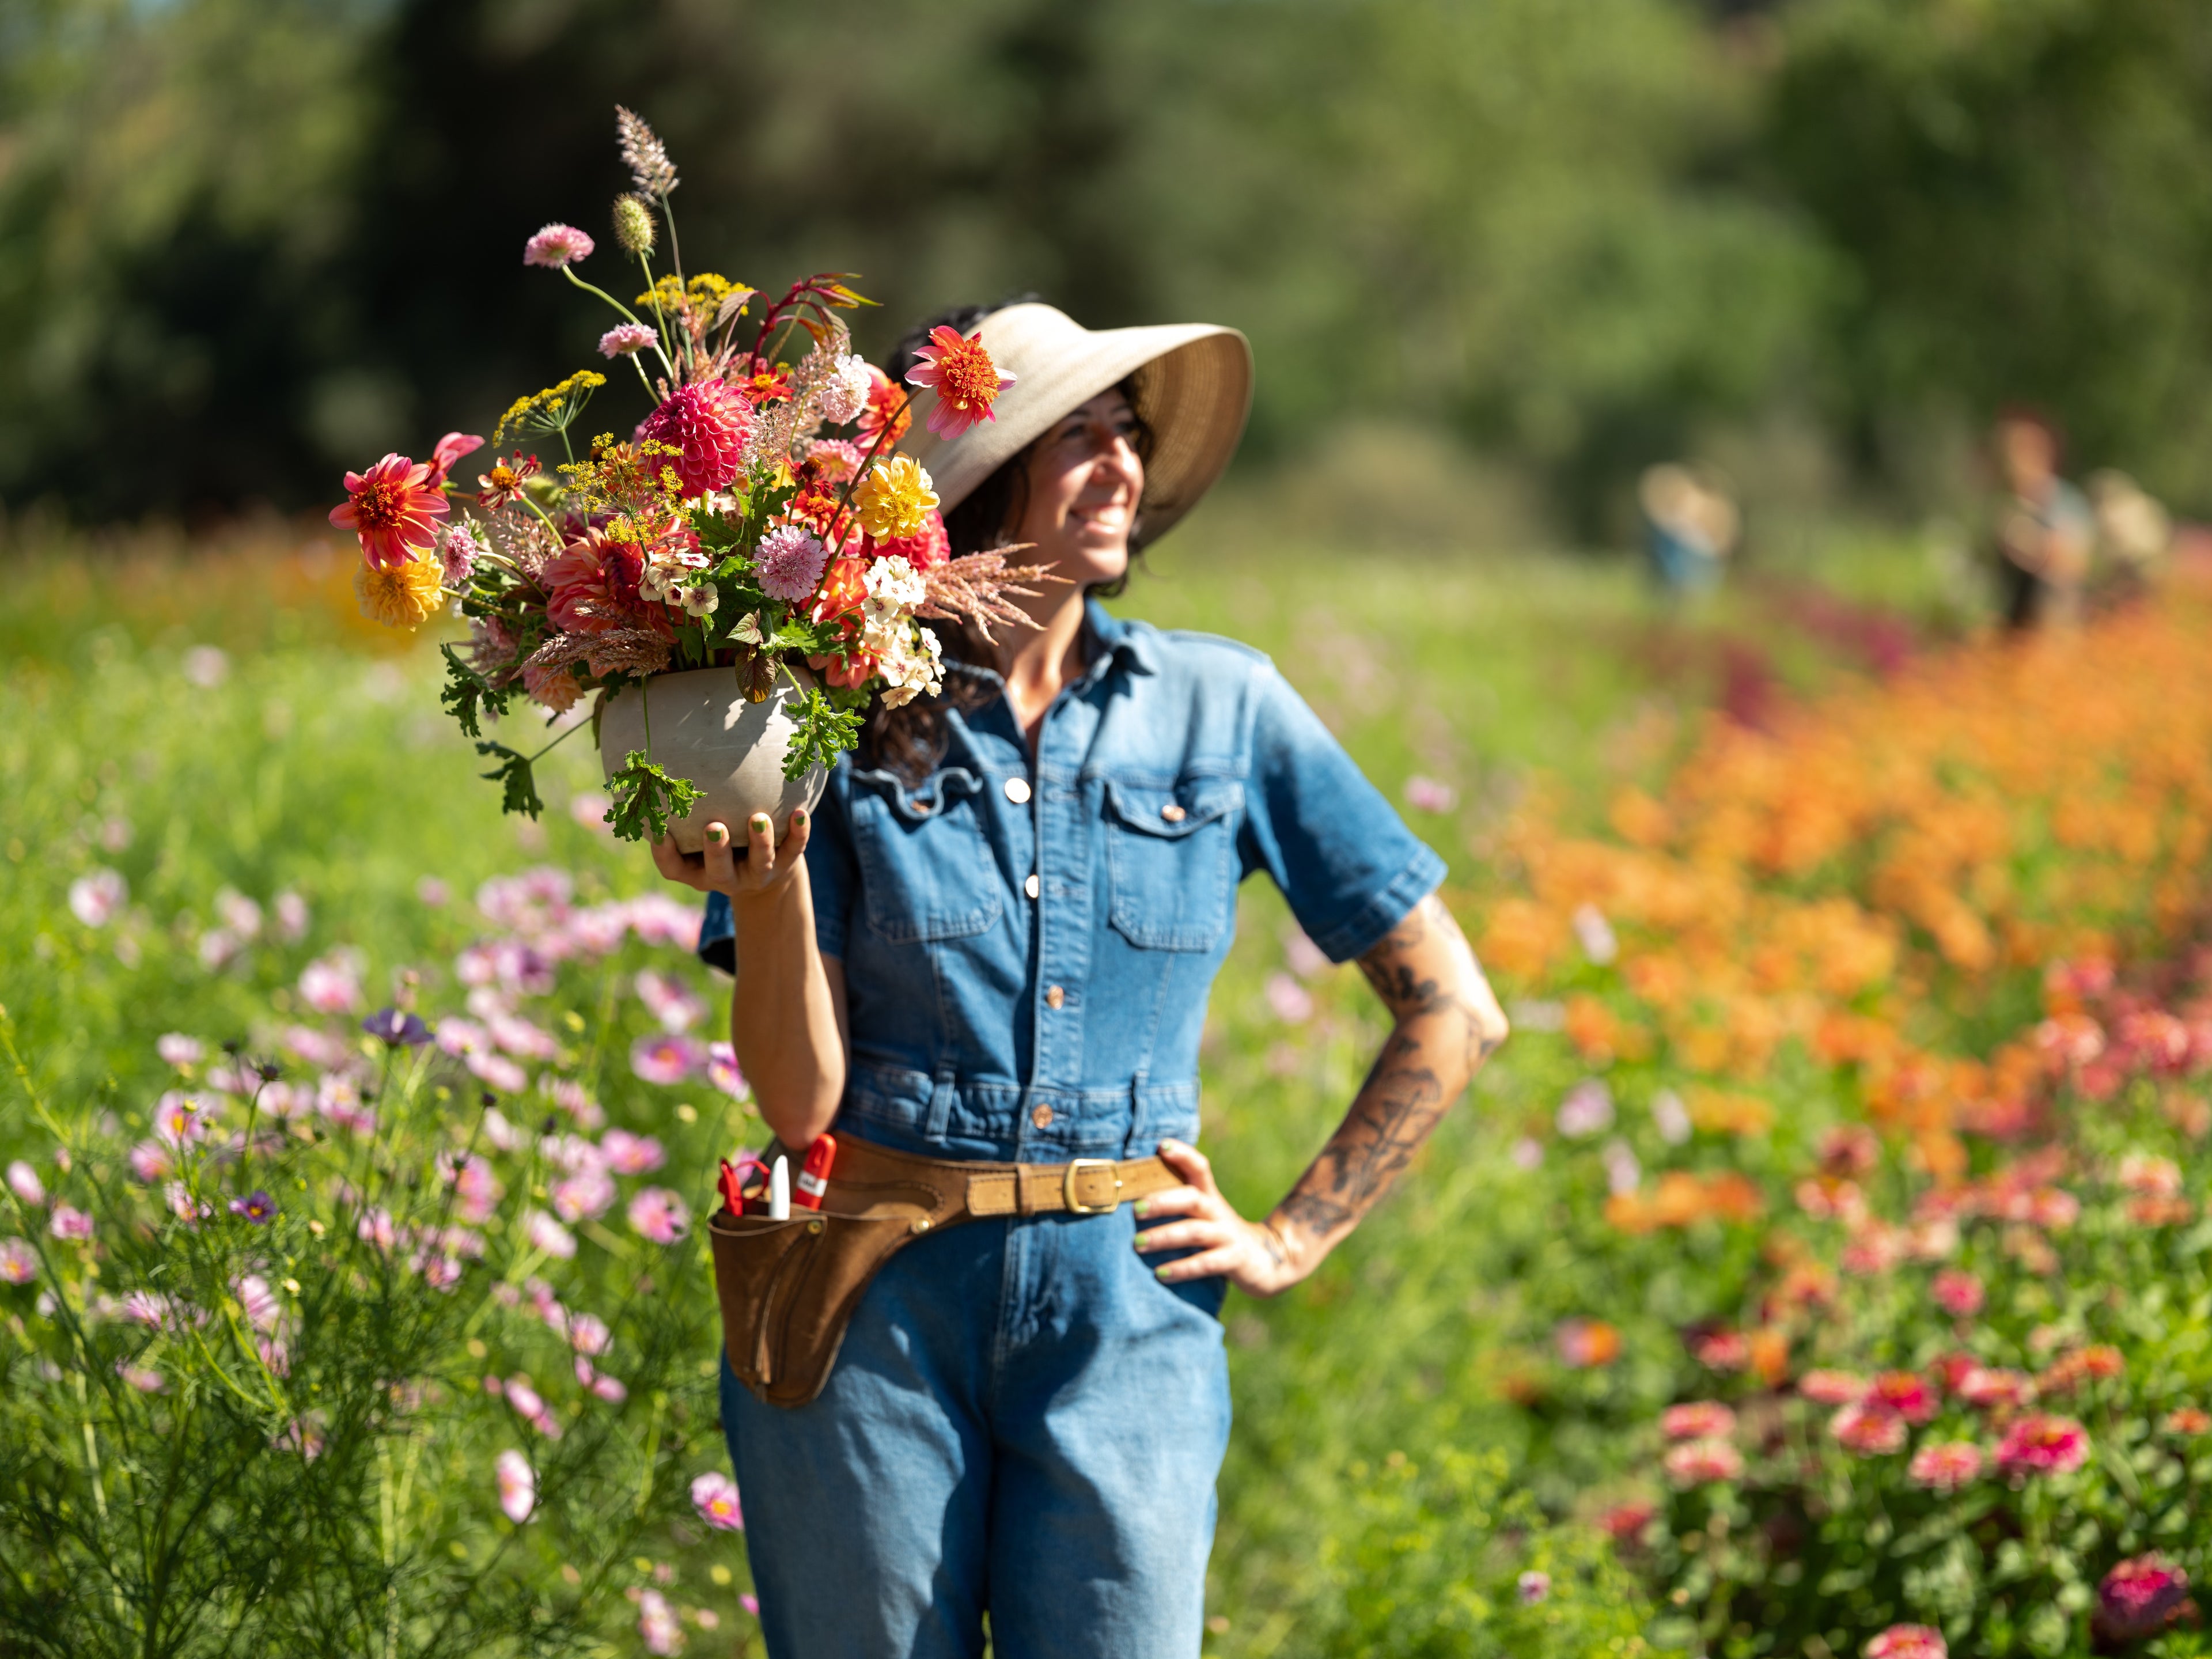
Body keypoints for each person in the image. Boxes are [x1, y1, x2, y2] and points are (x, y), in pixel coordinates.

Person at [652, 301, 1509, 1658]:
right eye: (1075, 438)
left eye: (1129, 437)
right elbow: (797, 1097)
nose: (1119, 465)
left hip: (1130, 1314)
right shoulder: (823, 718)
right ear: (981, 482)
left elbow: (1455, 1005)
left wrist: (1292, 1236)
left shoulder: (1226, 709)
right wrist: (763, 887)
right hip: (867, 1301)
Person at [1990, 409, 2094, 630]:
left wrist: (2031, 542)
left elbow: (2074, 564)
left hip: (2057, 623)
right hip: (2016, 625)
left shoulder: (2064, 502)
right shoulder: (2007, 507)